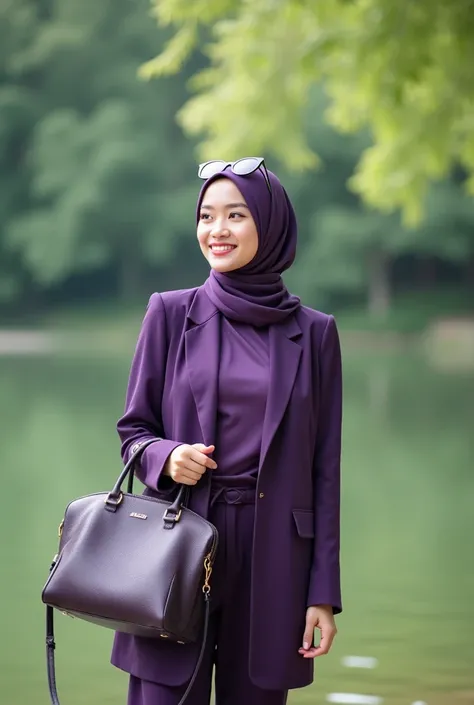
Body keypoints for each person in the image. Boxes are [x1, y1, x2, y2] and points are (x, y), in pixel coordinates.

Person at [111, 158, 343, 705]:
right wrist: (165, 457)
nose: (217, 231)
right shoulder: (169, 314)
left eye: (235, 215)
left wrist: (323, 594)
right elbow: (134, 430)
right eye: (206, 216)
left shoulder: (315, 334)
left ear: (270, 224)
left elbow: (324, 471)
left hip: (275, 561)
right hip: (175, 542)